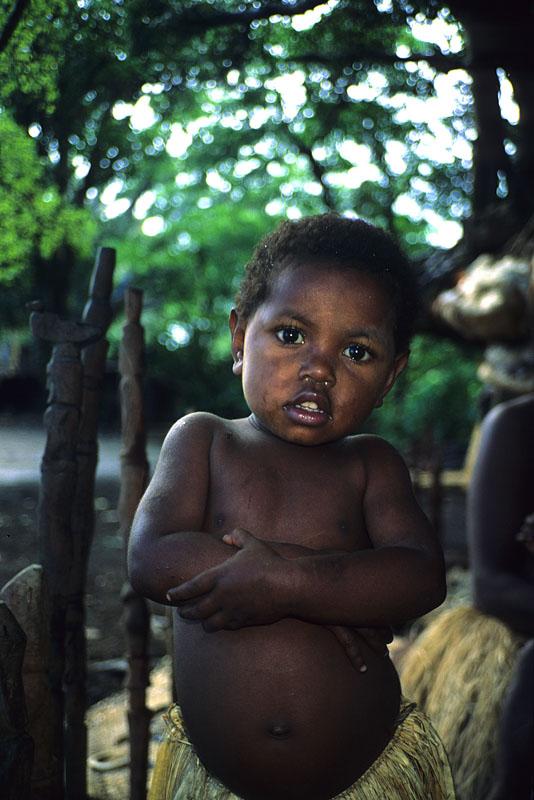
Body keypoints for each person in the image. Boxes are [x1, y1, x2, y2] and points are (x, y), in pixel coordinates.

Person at [128, 213, 453, 800]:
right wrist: (319, 591)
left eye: (357, 351)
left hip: (365, 780)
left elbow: (421, 576)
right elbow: (153, 556)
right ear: (237, 337)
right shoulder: (204, 440)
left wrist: (295, 582)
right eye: (291, 335)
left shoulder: (371, 465)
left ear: (390, 379)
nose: (320, 369)